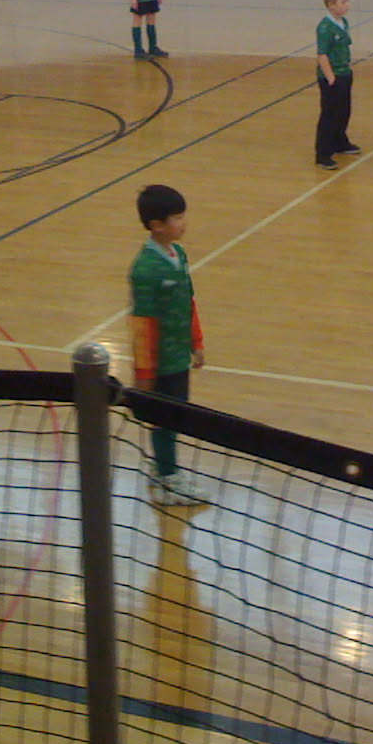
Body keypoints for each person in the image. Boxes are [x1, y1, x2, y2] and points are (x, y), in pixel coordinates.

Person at [128, 184, 207, 505]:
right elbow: (142, 326)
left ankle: (164, 466)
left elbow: (189, 302)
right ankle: (167, 478)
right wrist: (145, 374)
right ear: (156, 225)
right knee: (165, 419)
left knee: (175, 416)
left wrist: (196, 342)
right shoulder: (145, 270)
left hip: (178, 357)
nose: (183, 223)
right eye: (177, 218)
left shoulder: (179, 256)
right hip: (160, 363)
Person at [314, 0, 359, 170]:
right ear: (331, 5)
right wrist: (330, 77)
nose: (347, 5)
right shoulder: (325, 28)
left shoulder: (343, 23)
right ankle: (323, 153)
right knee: (330, 114)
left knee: (344, 111)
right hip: (333, 77)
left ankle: (340, 141)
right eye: (343, 2)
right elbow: (322, 54)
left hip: (345, 72)